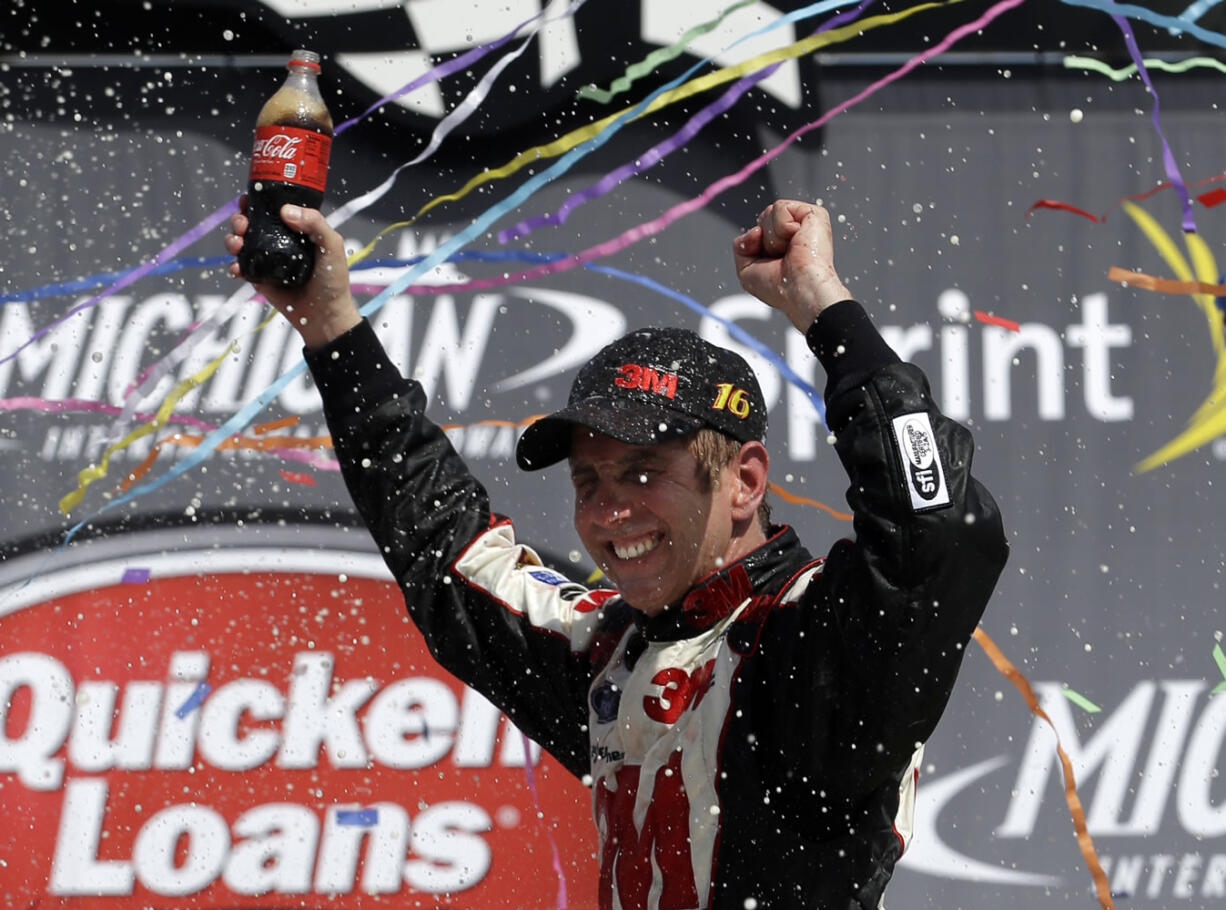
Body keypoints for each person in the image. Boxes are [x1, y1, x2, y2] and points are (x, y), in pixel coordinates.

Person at [226, 198, 1008, 909]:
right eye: (589, 479)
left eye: (643, 472)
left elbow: (938, 527)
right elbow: (445, 548)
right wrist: (329, 324)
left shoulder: (817, 640)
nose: (608, 510)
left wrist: (822, 306)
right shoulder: (610, 651)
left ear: (744, 482)